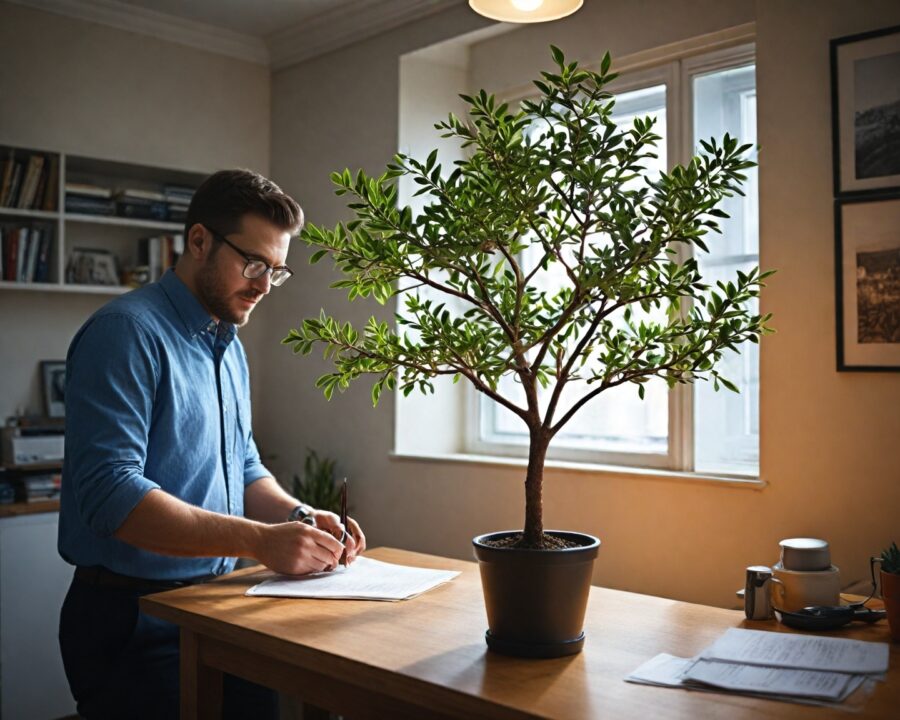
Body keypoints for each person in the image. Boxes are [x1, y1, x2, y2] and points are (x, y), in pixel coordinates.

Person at [57, 169, 366, 720]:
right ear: (198, 241)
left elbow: (242, 466)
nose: (265, 285)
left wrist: (298, 516)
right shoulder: (125, 333)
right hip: (134, 618)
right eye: (253, 264)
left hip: (219, 604)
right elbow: (112, 496)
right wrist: (262, 543)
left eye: (277, 270)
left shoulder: (228, 342)